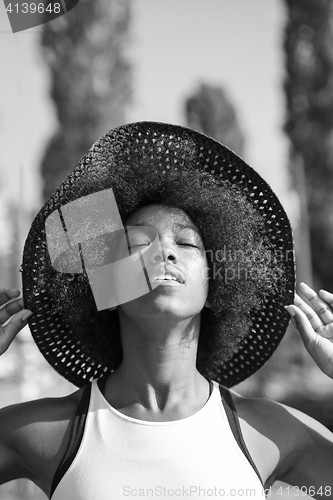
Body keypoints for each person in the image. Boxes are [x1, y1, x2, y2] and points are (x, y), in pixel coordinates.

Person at [0, 122, 332, 499]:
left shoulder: (268, 431)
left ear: (215, 285)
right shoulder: (48, 431)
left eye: (186, 242)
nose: (165, 252)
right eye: (137, 242)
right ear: (104, 284)